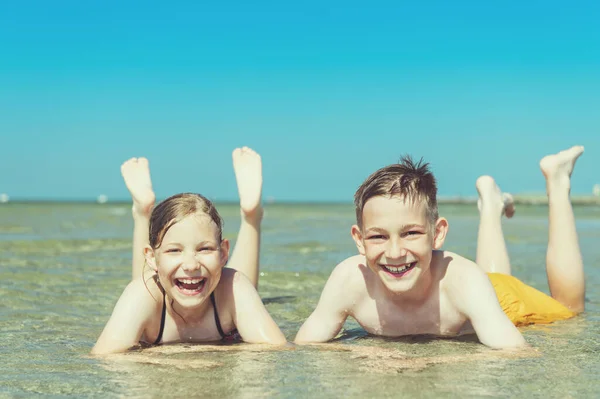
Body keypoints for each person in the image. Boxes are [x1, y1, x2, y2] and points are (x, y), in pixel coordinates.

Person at [295, 146, 585, 349]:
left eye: (410, 233)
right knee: (486, 276)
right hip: (475, 290)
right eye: (378, 237)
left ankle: (557, 183)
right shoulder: (349, 280)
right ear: (359, 239)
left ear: (437, 233)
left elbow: (516, 353)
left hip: (499, 299)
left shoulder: (465, 282)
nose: (395, 252)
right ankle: (491, 206)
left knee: (570, 308)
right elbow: (304, 347)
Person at [92, 147, 286, 355]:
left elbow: (276, 351)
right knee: (147, 282)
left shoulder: (234, 288)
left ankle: (251, 216)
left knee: (239, 282)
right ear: (150, 257)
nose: (191, 265)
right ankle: (143, 210)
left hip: (222, 288)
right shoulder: (140, 296)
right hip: (153, 288)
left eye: (205, 248)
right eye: (175, 250)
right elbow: (104, 358)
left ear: (223, 254)